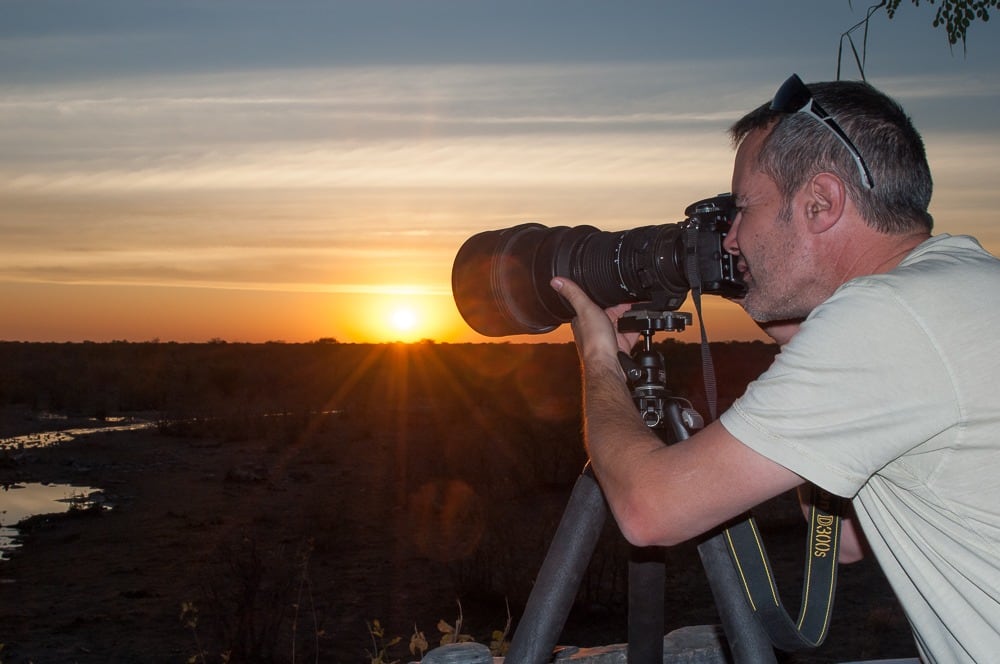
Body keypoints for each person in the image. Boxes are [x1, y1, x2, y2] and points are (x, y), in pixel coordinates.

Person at [548, 75, 1000, 663]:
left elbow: (648, 509)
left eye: (742, 210)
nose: (731, 240)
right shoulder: (960, 286)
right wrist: (796, 331)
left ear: (820, 203)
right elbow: (846, 544)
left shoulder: (886, 317)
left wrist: (601, 359)